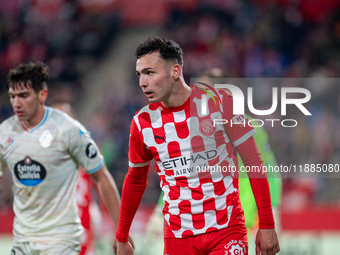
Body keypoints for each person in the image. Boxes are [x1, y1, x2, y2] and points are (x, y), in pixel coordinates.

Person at [116, 37, 280, 255]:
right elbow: (136, 179)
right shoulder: (142, 123)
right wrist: (122, 236)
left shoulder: (222, 103)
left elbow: (255, 163)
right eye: (140, 75)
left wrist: (267, 223)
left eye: (150, 73)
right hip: (178, 237)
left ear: (175, 72)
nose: (142, 82)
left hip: (227, 230)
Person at [0, 62, 121, 254]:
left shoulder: (76, 137)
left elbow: (102, 177)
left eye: (23, 96)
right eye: (13, 97)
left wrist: (119, 230)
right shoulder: (9, 133)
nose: (16, 103)